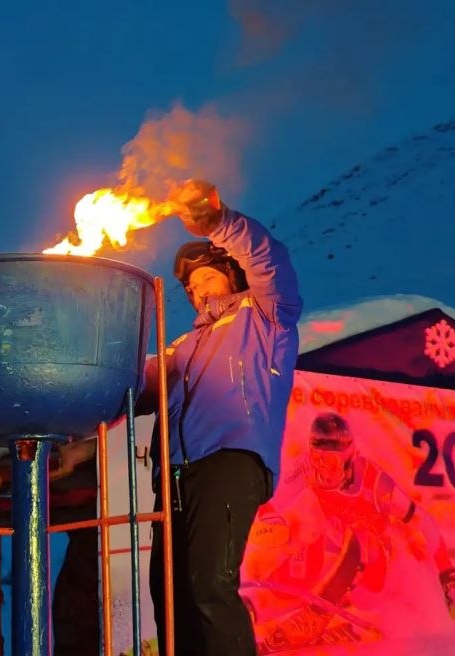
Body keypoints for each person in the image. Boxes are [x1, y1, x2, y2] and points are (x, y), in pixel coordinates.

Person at [143, 178, 303, 656]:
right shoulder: (179, 349)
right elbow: (123, 387)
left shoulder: (266, 316)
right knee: (169, 597)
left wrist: (220, 223)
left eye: (206, 278)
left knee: (208, 582)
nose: (197, 292)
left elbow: (268, 261)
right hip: (173, 476)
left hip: (231, 457)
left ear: (231, 275)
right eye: (190, 288)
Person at [242, 412, 455, 651]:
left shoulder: (374, 482)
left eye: (330, 461)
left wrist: (448, 575)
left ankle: (319, 614)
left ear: (349, 457)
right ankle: (249, 612)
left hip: (374, 573)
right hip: (336, 556)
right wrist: (268, 518)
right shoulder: (307, 467)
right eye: (318, 458)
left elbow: (424, 521)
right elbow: (270, 501)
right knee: (305, 562)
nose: (323, 470)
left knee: (359, 533)